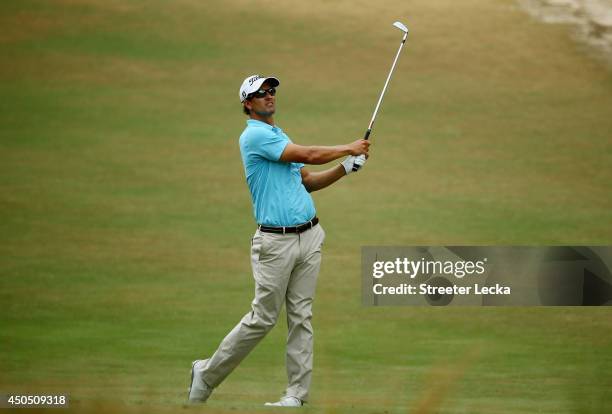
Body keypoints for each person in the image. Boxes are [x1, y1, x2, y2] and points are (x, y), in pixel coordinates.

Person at [188, 74, 370, 407]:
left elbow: (308, 181)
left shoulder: (277, 134)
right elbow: (312, 154)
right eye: (261, 93)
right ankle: (206, 374)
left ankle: (296, 396)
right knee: (263, 319)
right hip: (275, 243)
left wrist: (346, 167)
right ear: (247, 103)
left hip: (310, 235)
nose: (269, 96)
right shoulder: (255, 137)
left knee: (301, 316)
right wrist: (348, 146)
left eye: (271, 91)